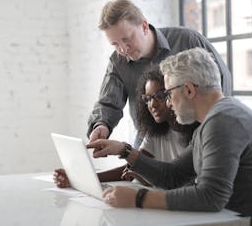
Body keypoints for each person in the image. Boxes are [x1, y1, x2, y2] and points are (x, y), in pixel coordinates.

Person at [87, 48, 252, 226]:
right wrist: (124, 150)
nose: (167, 103)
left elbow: (210, 197)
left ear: (189, 90)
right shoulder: (213, 121)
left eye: (168, 94)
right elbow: (173, 175)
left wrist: (138, 197)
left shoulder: (223, 120)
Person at [87, 0, 231, 147]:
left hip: (194, 134)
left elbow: (219, 81)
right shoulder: (118, 61)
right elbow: (108, 102)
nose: (123, 49)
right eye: (115, 44)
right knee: (132, 168)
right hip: (150, 136)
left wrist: (213, 126)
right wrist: (101, 125)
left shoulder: (187, 40)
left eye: (126, 39)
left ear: (144, 27)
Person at [54, 67, 199, 188]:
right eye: (147, 99)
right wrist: (81, 179)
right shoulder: (156, 131)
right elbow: (133, 166)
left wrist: (130, 158)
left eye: (160, 95)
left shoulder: (200, 134)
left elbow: (176, 178)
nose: (152, 105)